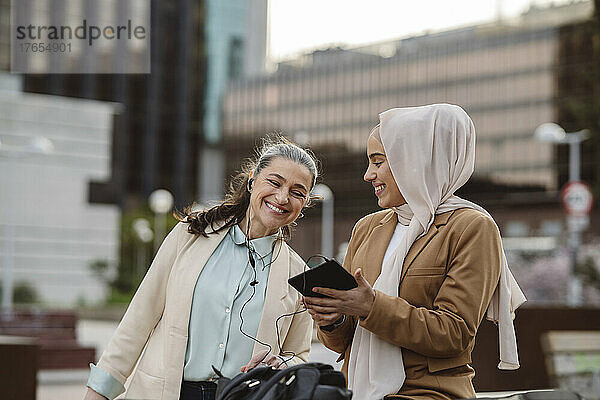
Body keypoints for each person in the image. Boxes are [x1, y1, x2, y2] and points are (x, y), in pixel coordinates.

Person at [304, 104, 527, 400]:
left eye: (378, 161)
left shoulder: (471, 227)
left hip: (428, 393)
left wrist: (371, 306)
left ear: (413, 159)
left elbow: (454, 333)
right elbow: (343, 342)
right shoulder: (367, 228)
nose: (368, 175)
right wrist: (332, 318)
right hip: (356, 390)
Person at [84, 137, 318, 400]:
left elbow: (298, 355)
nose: (282, 197)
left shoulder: (299, 274)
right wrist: (99, 392)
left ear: (305, 202)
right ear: (253, 181)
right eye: (274, 182)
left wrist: (282, 365)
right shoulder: (190, 234)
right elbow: (139, 318)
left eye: (298, 192)